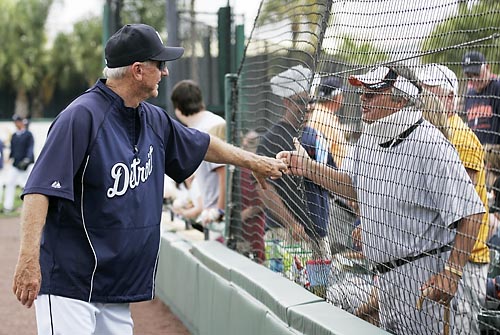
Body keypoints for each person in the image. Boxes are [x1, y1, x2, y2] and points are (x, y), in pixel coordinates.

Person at [11, 23, 287, 335]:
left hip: (115, 284)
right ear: (138, 70)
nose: (166, 72)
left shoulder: (151, 118)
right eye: (160, 65)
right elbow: (39, 191)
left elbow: (204, 144)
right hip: (70, 283)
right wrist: (28, 261)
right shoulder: (81, 116)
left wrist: (254, 162)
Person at [277, 64, 485, 334]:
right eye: (362, 94)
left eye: (372, 94)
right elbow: (352, 186)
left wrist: (453, 272)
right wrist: (307, 168)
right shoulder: (369, 137)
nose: (363, 100)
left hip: (425, 279)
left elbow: (473, 213)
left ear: (399, 98)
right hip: (386, 280)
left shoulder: (429, 143)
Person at [418, 63, 490, 334]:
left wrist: (452, 269)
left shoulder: (459, 138)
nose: (422, 99)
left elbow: (466, 209)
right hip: (443, 258)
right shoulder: (430, 133)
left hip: (465, 261)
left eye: (429, 93)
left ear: (449, 98)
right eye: (421, 92)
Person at [256, 65, 332, 262]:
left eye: (311, 101)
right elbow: (263, 188)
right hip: (284, 234)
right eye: (301, 102)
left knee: (318, 291)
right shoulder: (271, 139)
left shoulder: (315, 135)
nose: (308, 107)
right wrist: (291, 224)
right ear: (287, 102)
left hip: (318, 233)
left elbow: (332, 176)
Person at [171, 80, 227, 241]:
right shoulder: (209, 123)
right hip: (212, 215)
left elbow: (223, 173)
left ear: (178, 108)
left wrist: (220, 212)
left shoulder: (208, 128)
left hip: (218, 220)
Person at [462, 51, 500, 145]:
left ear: (487, 67)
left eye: (477, 74)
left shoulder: (497, 88)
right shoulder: (469, 96)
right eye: (469, 76)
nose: (474, 79)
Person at [3, 114, 34, 213]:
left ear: (21, 122)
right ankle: (8, 206)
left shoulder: (28, 134)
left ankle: (28, 208)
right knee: (9, 183)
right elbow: (12, 149)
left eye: (17, 121)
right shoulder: (14, 135)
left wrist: (27, 159)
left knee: (28, 186)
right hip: (16, 164)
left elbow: (30, 148)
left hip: (26, 165)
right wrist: (9, 158)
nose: (16, 123)